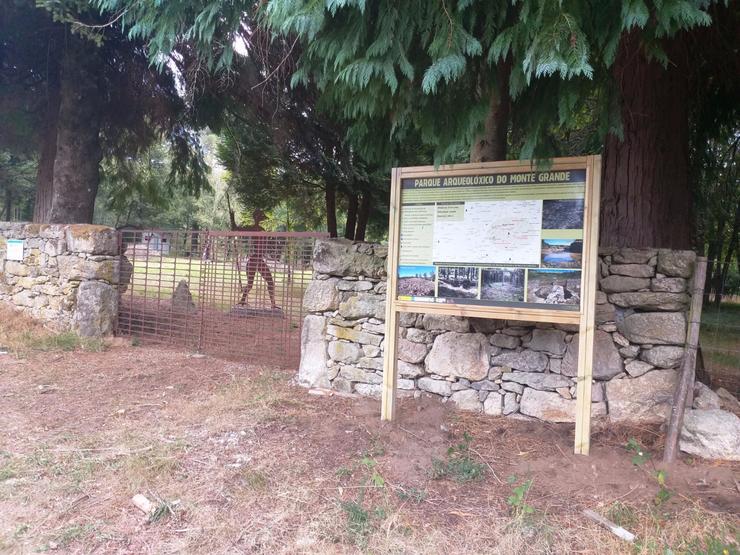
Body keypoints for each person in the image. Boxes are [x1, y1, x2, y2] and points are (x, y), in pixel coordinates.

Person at [235, 209, 279, 309]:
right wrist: (233, 218)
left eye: (261, 217)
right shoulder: (252, 228)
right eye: (259, 217)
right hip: (255, 260)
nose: (259, 219)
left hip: (258, 260)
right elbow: (236, 229)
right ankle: (242, 300)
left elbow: (267, 245)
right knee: (251, 284)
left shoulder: (262, 230)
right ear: (256, 218)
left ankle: (273, 304)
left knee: (269, 282)